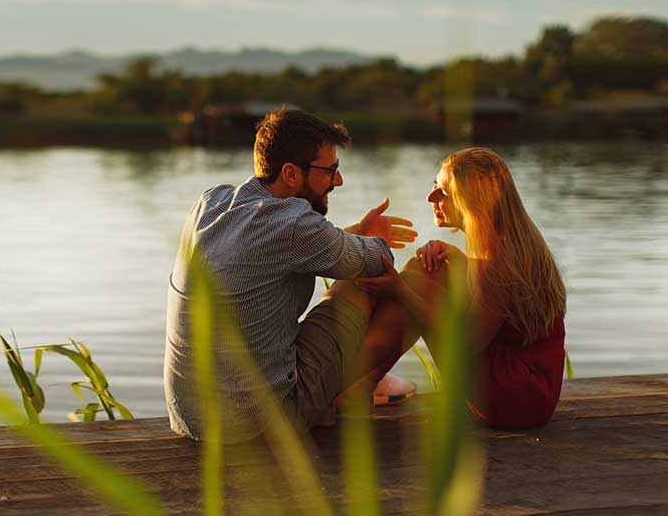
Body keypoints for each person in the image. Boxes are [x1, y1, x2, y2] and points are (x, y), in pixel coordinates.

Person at [164, 108, 418, 442]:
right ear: (292, 174)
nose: (338, 180)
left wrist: (353, 233)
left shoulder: (211, 203)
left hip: (189, 420)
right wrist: (373, 238)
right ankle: (354, 384)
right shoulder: (293, 222)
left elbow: (283, 248)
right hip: (258, 426)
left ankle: (339, 382)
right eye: (331, 170)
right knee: (372, 284)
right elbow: (377, 260)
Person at [338, 147, 568, 429]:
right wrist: (458, 260)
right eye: (434, 185)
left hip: (514, 397)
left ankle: (348, 384)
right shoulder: (508, 240)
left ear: (472, 200)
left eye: (443, 192)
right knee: (430, 271)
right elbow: (496, 303)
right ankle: (358, 383)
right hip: (529, 393)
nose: (431, 197)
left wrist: (400, 291)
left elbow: (468, 342)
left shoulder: (496, 254)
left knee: (420, 281)